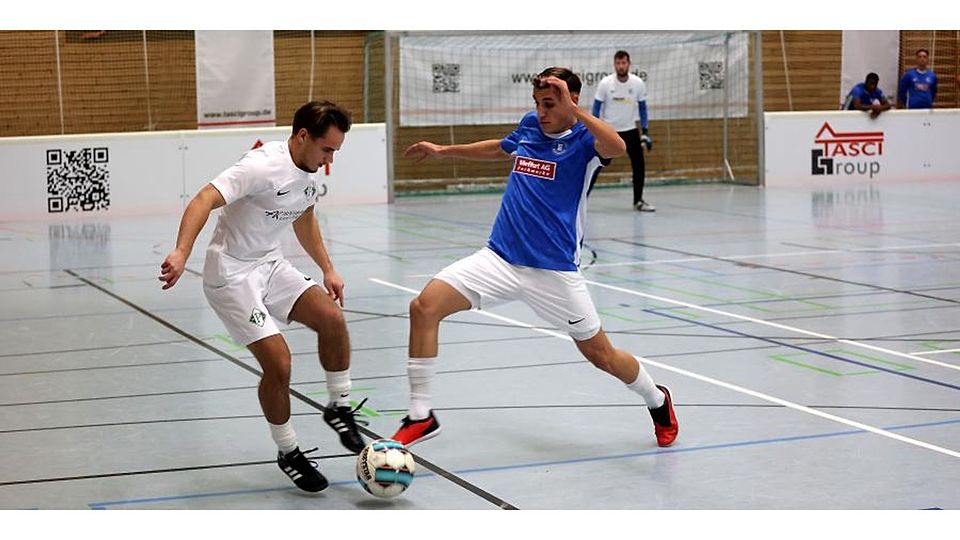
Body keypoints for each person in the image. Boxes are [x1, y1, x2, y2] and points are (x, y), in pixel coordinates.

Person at [392, 67, 679, 450]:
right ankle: (420, 414)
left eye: (550, 104)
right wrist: (445, 151)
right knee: (424, 307)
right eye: (537, 104)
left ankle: (657, 400)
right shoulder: (530, 125)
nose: (541, 112)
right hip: (500, 258)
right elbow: (501, 147)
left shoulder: (585, 141)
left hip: (554, 273)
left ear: (570, 102)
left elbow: (618, 147)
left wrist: (574, 111)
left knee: (603, 356)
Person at [158, 101, 365, 493]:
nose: (329, 160)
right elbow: (204, 198)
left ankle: (339, 407)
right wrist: (182, 251)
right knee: (279, 362)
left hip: (270, 265)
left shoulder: (307, 172)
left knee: (333, 320)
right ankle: (289, 451)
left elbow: (303, 217)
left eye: (336, 151)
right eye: (327, 150)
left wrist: (328, 268)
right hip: (232, 275)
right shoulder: (260, 165)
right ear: (303, 136)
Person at [591, 50, 655, 212]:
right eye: (618, 63)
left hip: (630, 130)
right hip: (609, 131)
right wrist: (594, 131)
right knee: (594, 165)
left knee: (639, 165)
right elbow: (596, 108)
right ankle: (581, 198)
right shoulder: (606, 83)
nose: (621, 66)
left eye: (624, 63)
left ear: (629, 63)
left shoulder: (637, 83)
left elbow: (642, 108)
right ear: (614, 65)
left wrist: (645, 132)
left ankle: (638, 201)